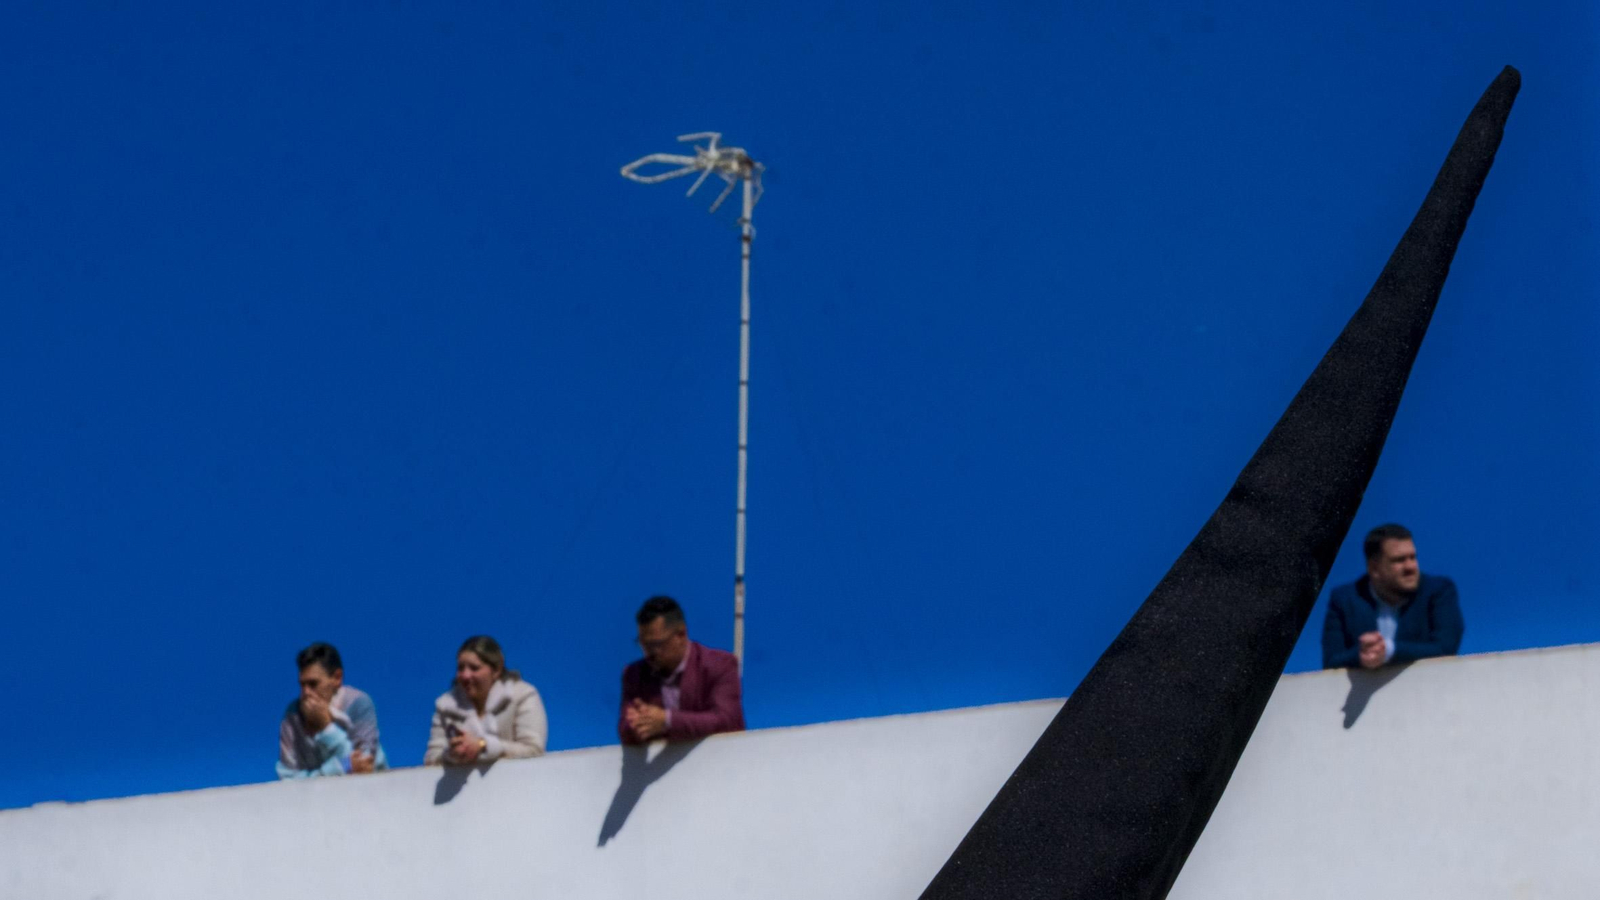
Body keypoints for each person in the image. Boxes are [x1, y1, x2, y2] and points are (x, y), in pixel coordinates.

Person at [1322, 523, 1464, 670]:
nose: (1410, 567)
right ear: (1374, 568)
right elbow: (1331, 661)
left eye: (1413, 557)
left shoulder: (1438, 591)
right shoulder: (1344, 600)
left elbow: (1445, 648)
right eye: (1399, 560)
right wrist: (1362, 654)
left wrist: (1388, 650)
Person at [619, 595, 744, 744]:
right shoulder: (634, 674)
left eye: (656, 644)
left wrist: (667, 720)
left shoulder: (719, 665)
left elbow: (728, 721)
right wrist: (637, 723)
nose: (649, 653)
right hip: (661, 767)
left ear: (681, 634)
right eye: (643, 644)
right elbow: (624, 728)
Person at [425, 635, 548, 765]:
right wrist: (452, 753)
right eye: (461, 668)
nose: (466, 676)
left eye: (474, 668)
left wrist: (483, 745)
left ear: (496, 670)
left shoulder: (522, 695)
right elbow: (431, 759)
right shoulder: (445, 705)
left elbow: (534, 749)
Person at [277, 642, 389, 779]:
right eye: (302, 685)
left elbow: (366, 766)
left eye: (313, 684)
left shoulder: (358, 703)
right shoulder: (292, 715)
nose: (306, 692)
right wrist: (341, 767)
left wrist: (326, 728)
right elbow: (287, 778)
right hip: (313, 799)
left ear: (337, 678)